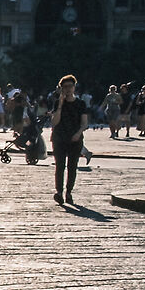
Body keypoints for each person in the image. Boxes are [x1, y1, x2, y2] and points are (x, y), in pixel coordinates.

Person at [51, 74, 90, 207]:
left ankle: (69, 192)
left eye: (70, 86)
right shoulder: (57, 103)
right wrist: (61, 105)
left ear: (74, 87)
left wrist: (78, 133)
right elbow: (54, 122)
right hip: (59, 138)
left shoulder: (80, 104)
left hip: (75, 139)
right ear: (61, 89)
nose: (68, 89)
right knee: (59, 166)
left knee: (72, 167)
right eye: (65, 87)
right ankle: (59, 192)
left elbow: (84, 123)